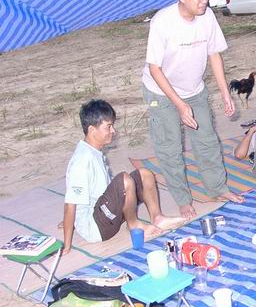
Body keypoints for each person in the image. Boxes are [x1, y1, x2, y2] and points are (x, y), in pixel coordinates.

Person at [142, 0, 244, 219]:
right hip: (161, 91)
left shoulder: (207, 16)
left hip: (194, 89)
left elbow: (214, 54)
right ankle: (183, 199)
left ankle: (218, 189)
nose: (204, 0)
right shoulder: (162, 22)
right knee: (170, 148)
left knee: (207, 140)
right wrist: (179, 105)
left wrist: (225, 93)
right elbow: (155, 69)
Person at [62, 100, 186, 255]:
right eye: (108, 127)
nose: (113, 131)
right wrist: (67, 245)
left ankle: (158, 217)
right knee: (124, 180)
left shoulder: (93, 151)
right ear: (92, 130)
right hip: (97, 228)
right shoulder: (82, 160)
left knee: (144, 174)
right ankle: (133, 226)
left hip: (107, 213)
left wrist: (72, 220)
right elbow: (70, 204)